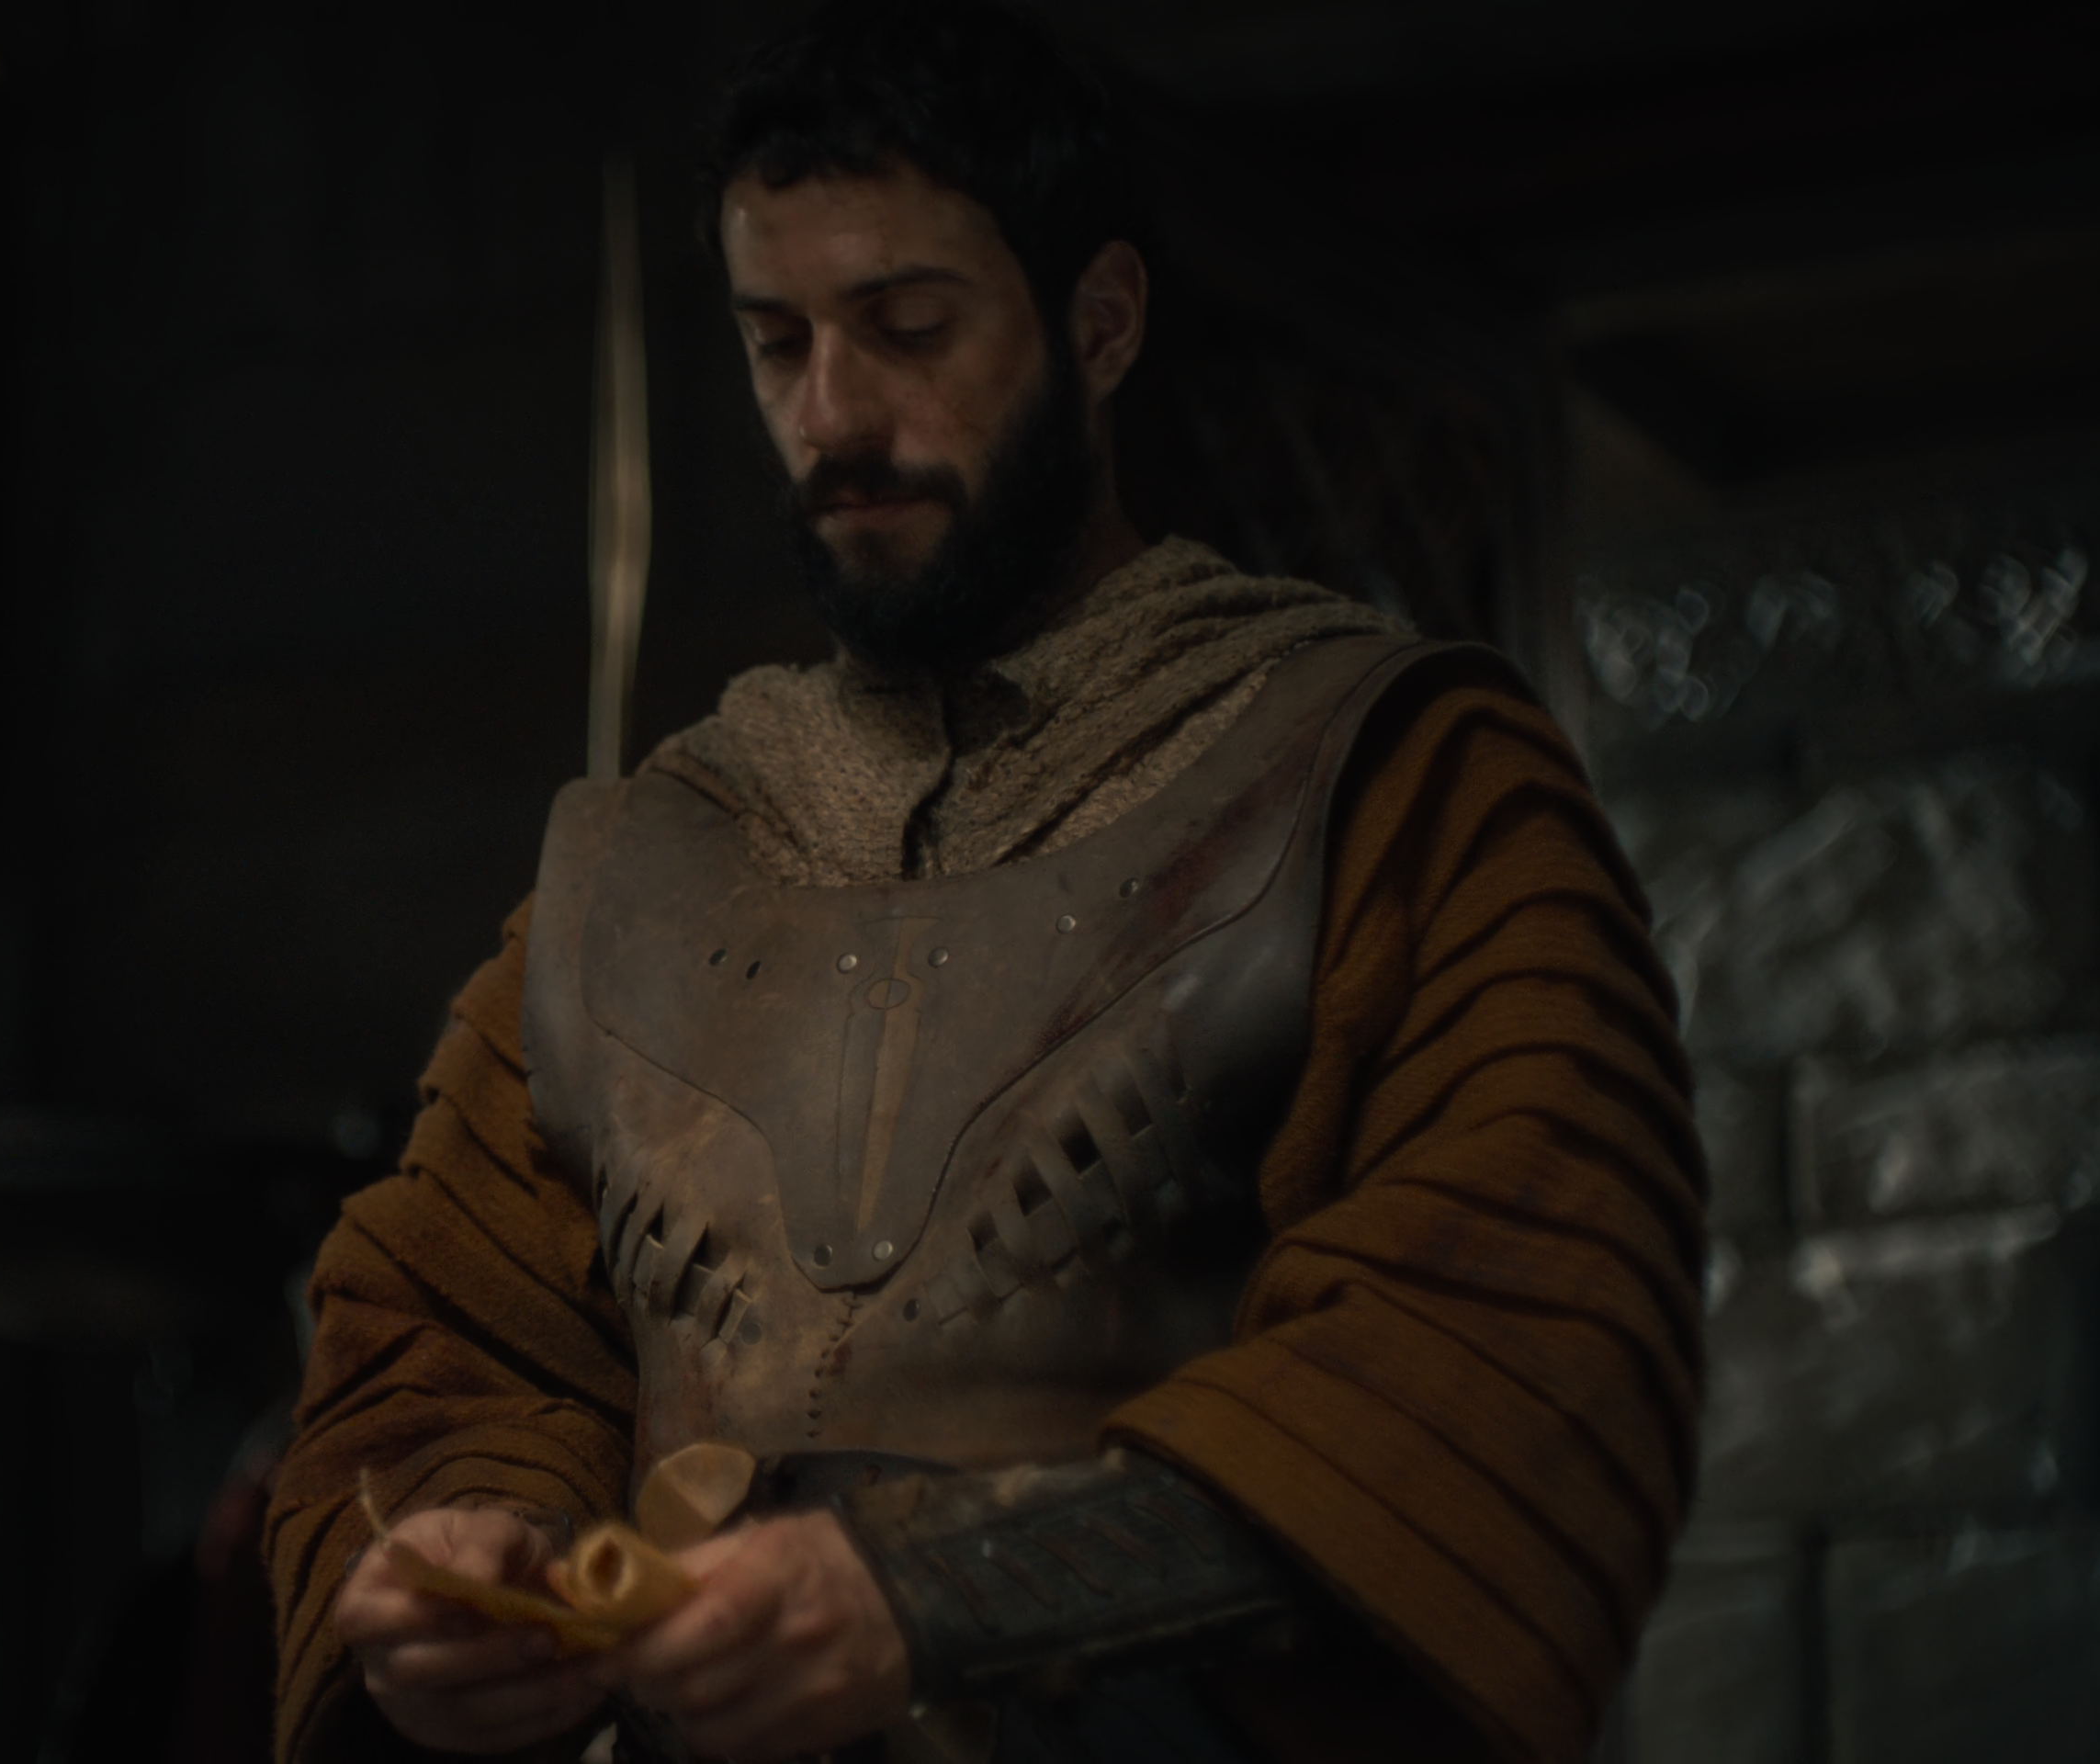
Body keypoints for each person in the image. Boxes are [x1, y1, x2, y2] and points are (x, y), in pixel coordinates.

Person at [262, 5, 1704, 1760]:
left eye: (908, 327)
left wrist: (943, 1592)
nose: (832, 415)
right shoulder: (644, 853)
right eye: (776, 343)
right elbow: (437, 1339)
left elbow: (1511, 1343)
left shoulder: (1401, 777)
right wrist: (464, 1556)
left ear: (1102, 321)